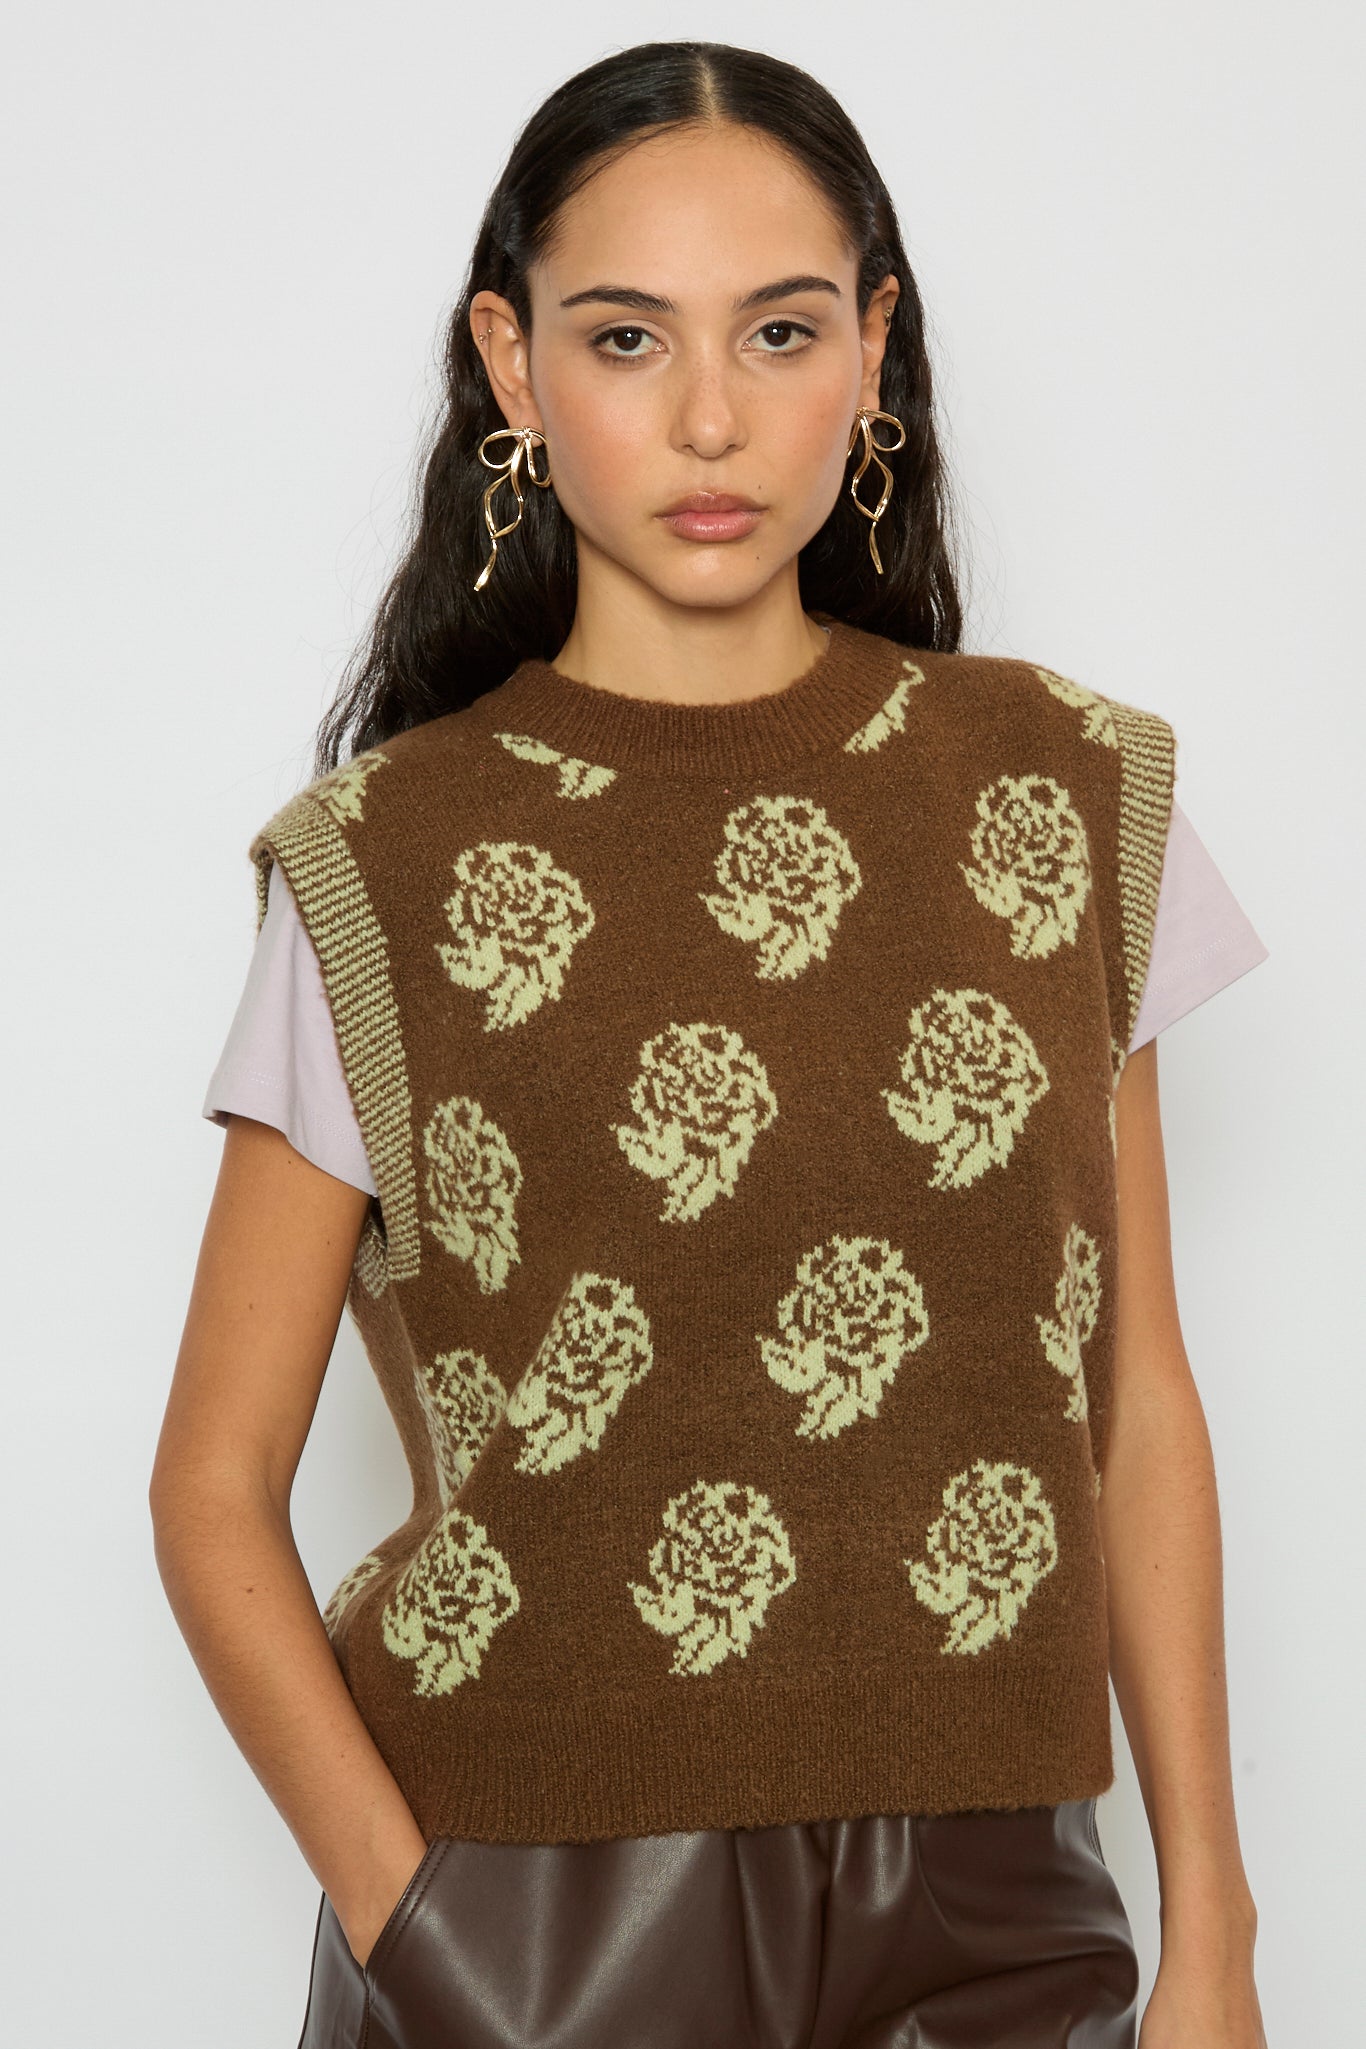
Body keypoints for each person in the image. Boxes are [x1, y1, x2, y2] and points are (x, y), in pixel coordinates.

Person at [152, 39, 1272, 2049]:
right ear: (509, 367)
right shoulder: (382, 862)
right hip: (536, 1907)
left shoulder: (1058, 793)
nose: (706, 417)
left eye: (777, 330)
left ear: (874, 348)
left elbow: (1138, 1396)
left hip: (1005, 1908)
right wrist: (423, 1930)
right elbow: (212, 1484)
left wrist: (1214, 1930)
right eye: (621, 337)